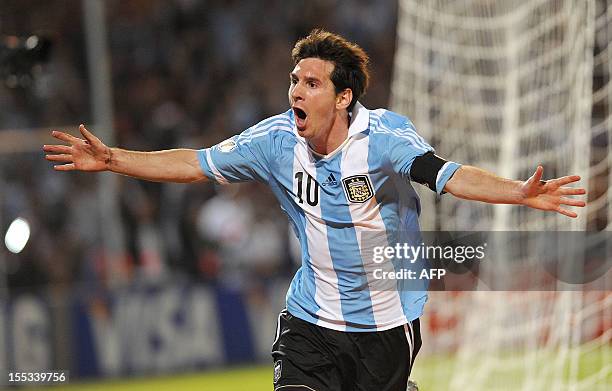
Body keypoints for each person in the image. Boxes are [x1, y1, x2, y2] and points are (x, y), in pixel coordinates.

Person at [43, 29, 586, 391]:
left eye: (311, 83)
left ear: (344, 97)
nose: (295, 92)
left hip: (385, 323)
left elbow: (445, 175)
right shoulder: (276, 140)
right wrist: (114, 159)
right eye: (293, 81)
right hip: (311, 317)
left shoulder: (384, 139)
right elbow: (195, 163)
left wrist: (519, 192)